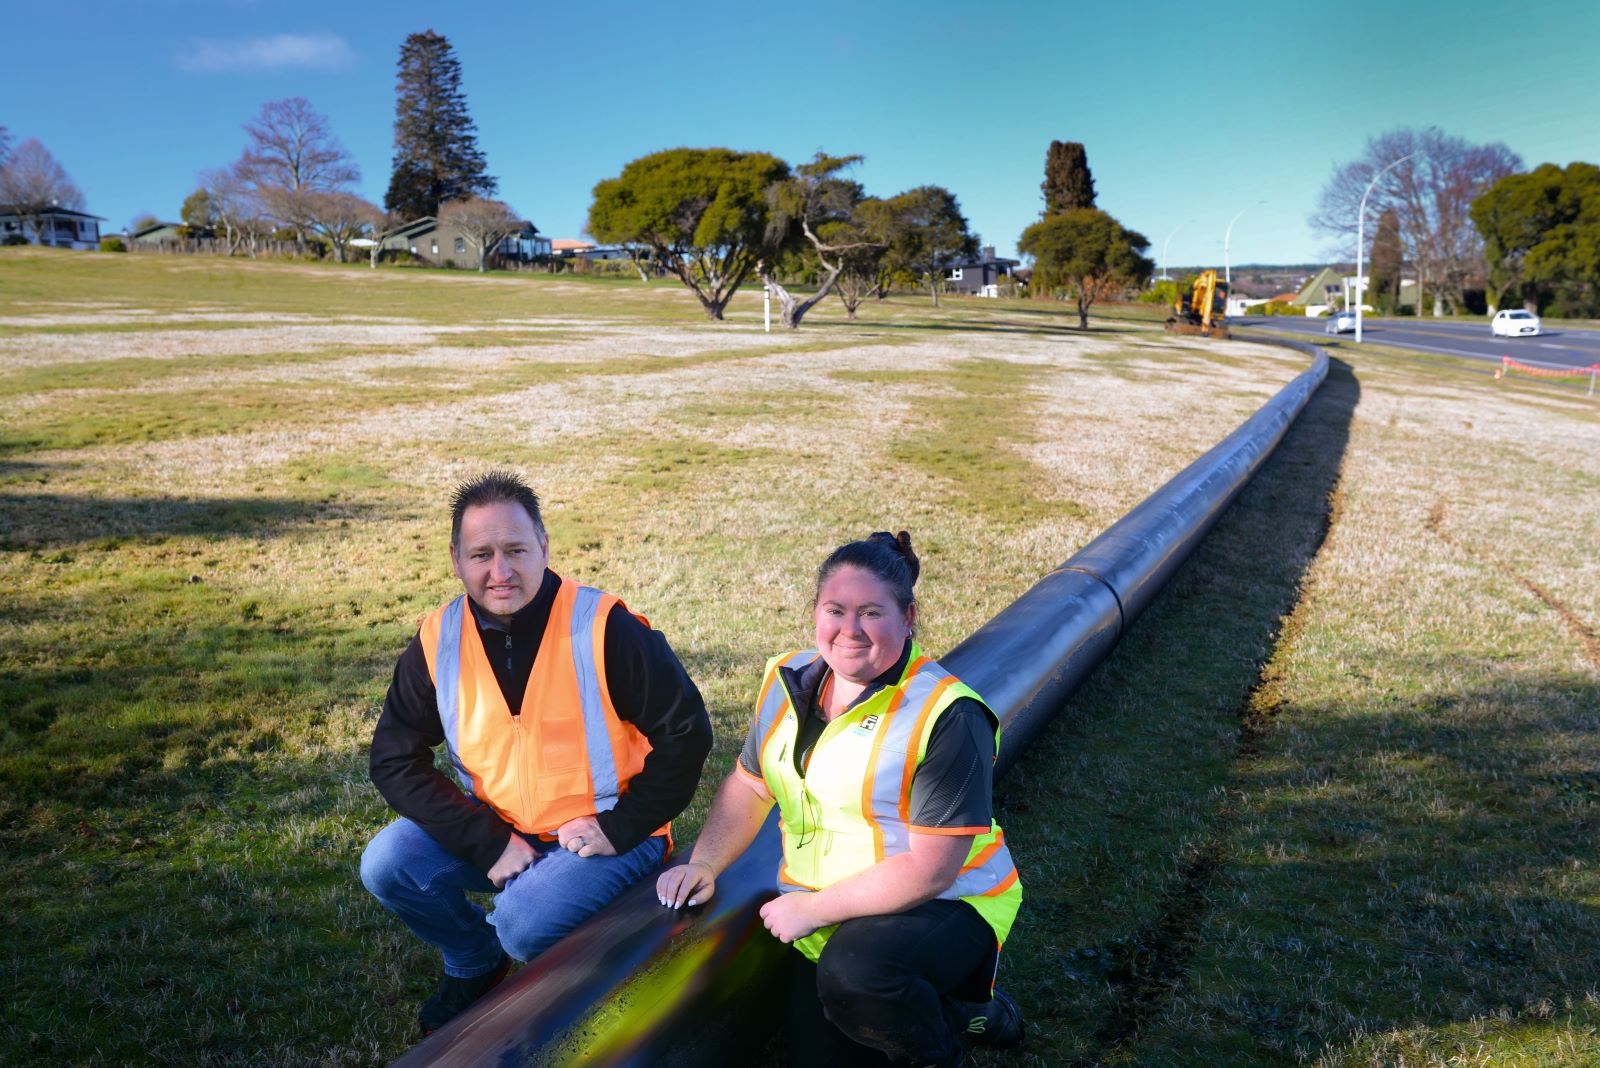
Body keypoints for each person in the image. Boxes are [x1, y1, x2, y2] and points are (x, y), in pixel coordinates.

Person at [361, 471, 713, 1036]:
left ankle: (618, 972)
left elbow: (688, 733)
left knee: (523, 925)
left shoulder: (604, 627)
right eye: (481, 554)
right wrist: (487, 838)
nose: (499, 572)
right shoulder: (438, 636)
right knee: (388, 863)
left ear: (545, 547)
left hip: (608, 835)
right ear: (455, 559)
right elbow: (393, 758)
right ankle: (475, 961)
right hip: (502, 831)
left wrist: (620, 827)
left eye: (516, 550)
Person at [657, 531, 1023, 1067]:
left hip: (948, 905)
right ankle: (953, 1009)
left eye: (871, 613)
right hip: (836, 916)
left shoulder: (947, 714)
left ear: (908, 616)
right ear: (816, 611)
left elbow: (931, 872)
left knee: (858, 977)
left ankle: (950, 1041)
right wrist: (706, 861)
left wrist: (811, 910)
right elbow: (751, 782)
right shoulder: (788, 679)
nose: (850, 630)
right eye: (836, 609)